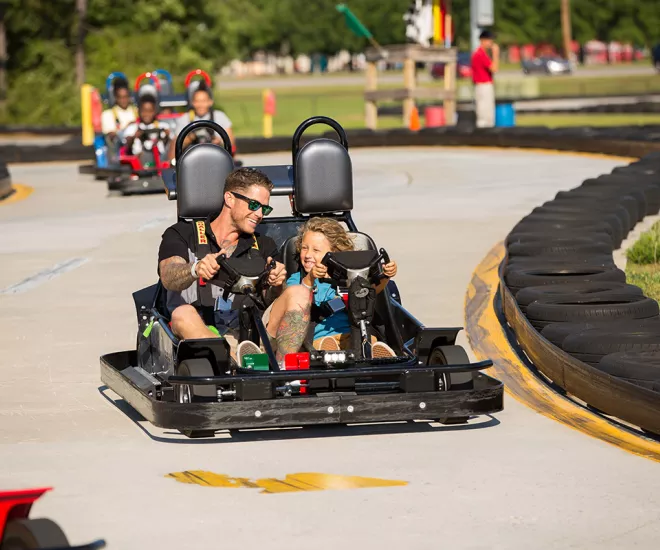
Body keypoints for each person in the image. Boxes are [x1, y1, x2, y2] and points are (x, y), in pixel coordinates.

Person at [158, 167, 317, 366]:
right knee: (182, 313)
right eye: (253, 205)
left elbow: (272, 301)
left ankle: (283, 369)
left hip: (252, 335)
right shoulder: (182, 234)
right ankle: (233, 360)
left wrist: (277, 283)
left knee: (298, 293)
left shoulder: (264, 244)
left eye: (264, 208)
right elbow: (168, 276)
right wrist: (195, 269)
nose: (259, 214)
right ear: (229, 199)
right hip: (201, 330)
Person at [263, 217, 399, 359]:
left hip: (355, 334)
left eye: (316, 250)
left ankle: (375, 353)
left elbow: (371, 292)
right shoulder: (297, 279)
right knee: (327, 344)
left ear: (335, 252)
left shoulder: (350, 276)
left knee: (368, 341)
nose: (308, 255)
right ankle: (334, 351)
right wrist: (310, 279)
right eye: (304, 248)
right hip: (317, 338)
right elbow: (295, 304)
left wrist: (385, 276)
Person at [168, 83, 235, 161]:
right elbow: (175, 145)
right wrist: (191, 137)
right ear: (192, 102)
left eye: (204, 101)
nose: (200, 105)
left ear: (210, 102)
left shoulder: (220, 116)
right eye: (197, 101)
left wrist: (219, 141)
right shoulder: (184, 118)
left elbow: (231, 144)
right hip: (191, 160)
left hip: (216, 158)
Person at [121, 95, 170, 162]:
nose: (147, 114)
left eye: (150, 111)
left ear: (155, 111)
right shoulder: (133, 128)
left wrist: (167, 136)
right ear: (139, 111)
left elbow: (168, 144)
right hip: (139, 161)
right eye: (144, 111)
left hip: (160, 158)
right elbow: (127, 145)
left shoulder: (163, 126)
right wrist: (134, 137)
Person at [471, 30, 500, 128]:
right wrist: (496, 54)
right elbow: (494, 68)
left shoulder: (482, 54)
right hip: (483, 86)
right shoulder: (480, 54)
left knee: (488, 114)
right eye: (489, 40)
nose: (491, 42)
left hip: (484, 85)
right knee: (484, 115)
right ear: (482, 40)